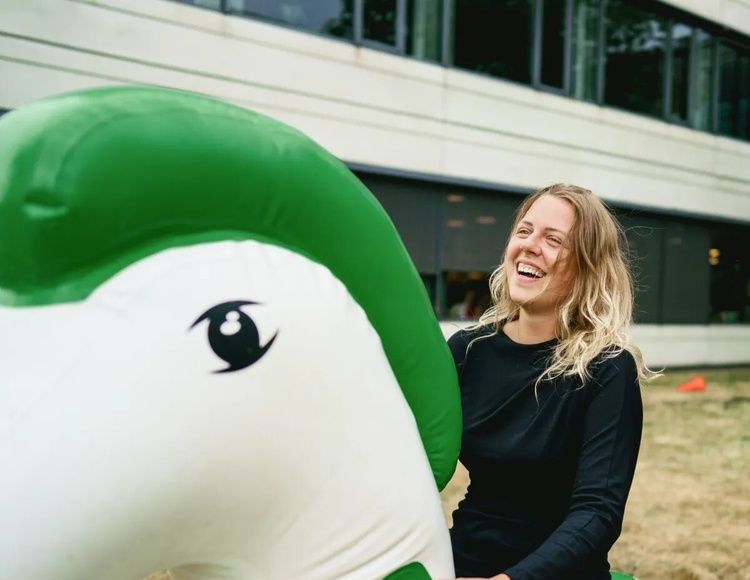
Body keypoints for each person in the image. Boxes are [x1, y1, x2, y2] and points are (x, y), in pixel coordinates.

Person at [448, 183, 656, 580]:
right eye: (524, 231)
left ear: (587, 266)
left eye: (553, 239)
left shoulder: (607, 369)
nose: (529, 245)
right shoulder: (467, 351)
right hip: (463, 561)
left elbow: (597, 514)